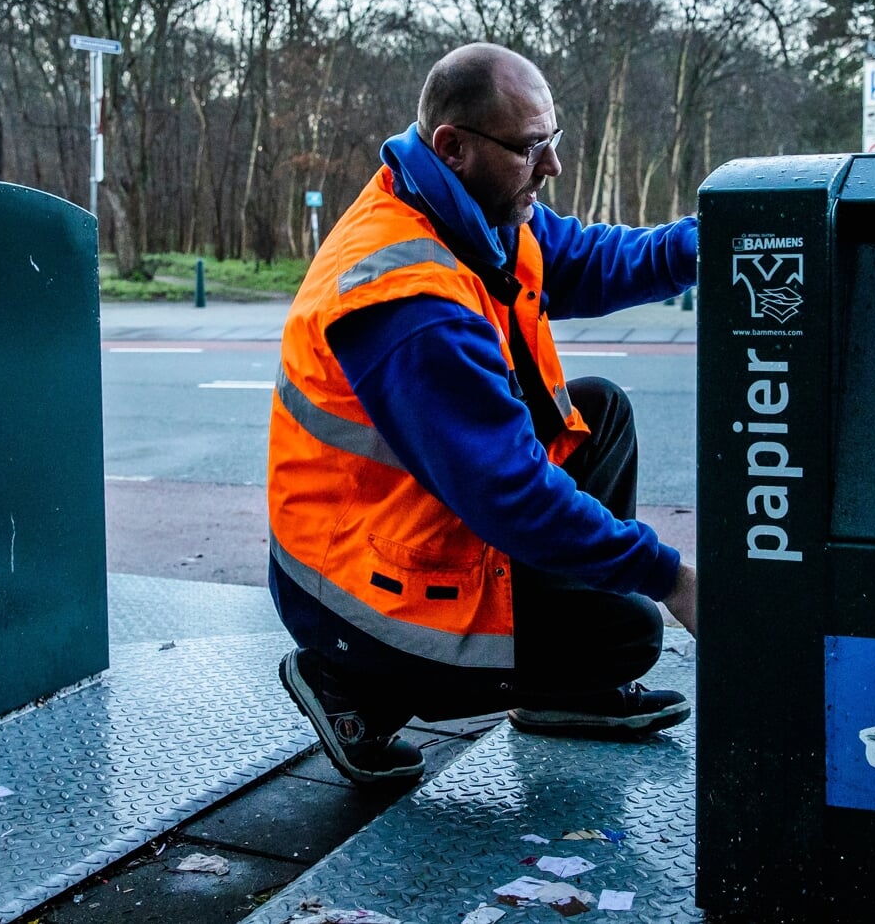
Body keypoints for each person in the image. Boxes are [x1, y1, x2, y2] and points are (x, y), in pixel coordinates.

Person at [267, 42, 701, 785]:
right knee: (626, 633)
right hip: (355, 590)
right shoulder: (406, 297)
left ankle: (561, 688)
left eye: (553, 142)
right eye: (533, 148)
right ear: (454, 147)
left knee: (600, 410)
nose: (552, 166)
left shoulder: (477, 215)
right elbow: (512, 497)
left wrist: (742, 231)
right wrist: (672, 580)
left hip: (407, 519)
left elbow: (605, 260)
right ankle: (356, 687)